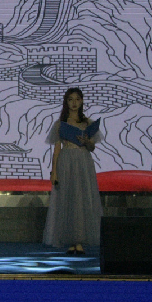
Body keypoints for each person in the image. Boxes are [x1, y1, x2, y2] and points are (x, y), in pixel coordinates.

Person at [43, 87, 103, 254]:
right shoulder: (61, 124)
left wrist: (86, 141)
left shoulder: (87, 123)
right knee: (68, 199)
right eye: (71, 99)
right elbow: (56, 149)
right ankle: (70, 240)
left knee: (82, 199)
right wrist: (54, 171)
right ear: (66, 102)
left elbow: (92, 147)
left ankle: (80, 240)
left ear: (82, 101)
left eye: (77, 99)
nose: (74, 103)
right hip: (66, 161)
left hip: (83, 161)